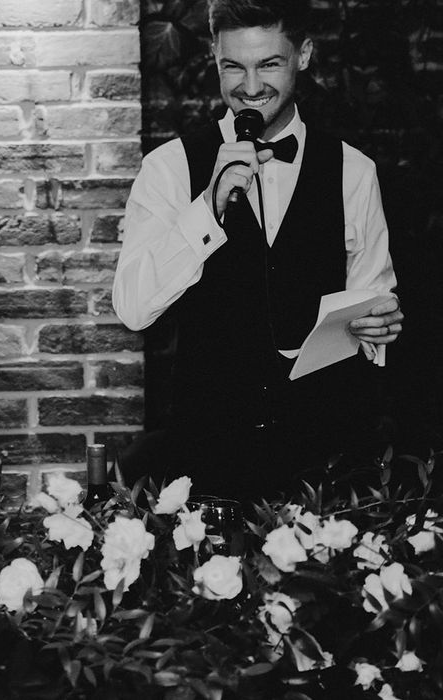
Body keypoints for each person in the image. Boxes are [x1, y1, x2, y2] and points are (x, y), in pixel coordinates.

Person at [112, 0, 404, 502]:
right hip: (208, 457)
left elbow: (372, 300)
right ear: (214, 57)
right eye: (233, 66)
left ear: (304, 54)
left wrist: (379, 325)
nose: (250, 87)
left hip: (325, 460)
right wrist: (206, 207)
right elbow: (133, 309)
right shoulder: (169, 168)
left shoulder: (353, 171)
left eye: (269, 63)